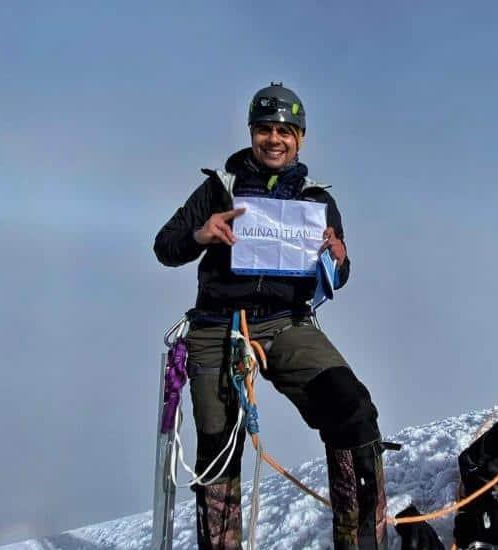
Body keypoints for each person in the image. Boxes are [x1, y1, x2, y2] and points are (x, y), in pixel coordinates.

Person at [154, 82, 388, 550]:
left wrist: (338, 259)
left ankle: (362, 542)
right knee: (218, 445)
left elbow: (337, 276)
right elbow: (165, 246)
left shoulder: (317, 200)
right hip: (216, 324)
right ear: (251, 132)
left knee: (352, 409)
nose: (274, 139)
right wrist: (200, 235)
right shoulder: (219, 188)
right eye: (265, 129)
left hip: (285, 321)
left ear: (300, 138)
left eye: (285, 130)